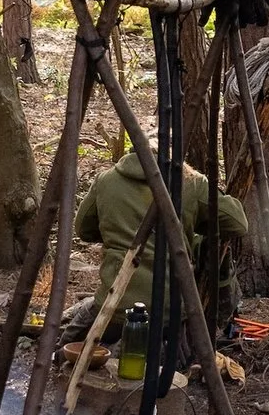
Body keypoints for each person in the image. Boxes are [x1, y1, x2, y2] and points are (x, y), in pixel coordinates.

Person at [74, 146, 249, 375]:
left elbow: (84, 230)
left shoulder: (106, 180)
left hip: (112, 308)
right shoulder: (190, 182)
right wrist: (192, 224)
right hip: (169, 314)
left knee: (82, 319)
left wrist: (118, 232)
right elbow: (238, 223)